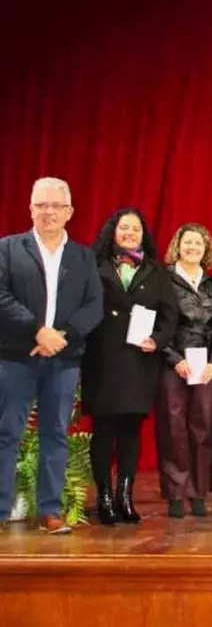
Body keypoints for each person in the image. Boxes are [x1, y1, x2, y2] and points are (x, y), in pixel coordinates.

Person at [0, 177, 103, 534]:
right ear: (30, 209)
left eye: (55, 206)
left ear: (69, 212)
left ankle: (49, 511)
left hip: (63, 358)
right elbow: (1, 296)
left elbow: (94, 305)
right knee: (6, 433)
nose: (48, 212)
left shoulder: (84, 257)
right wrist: (36, 330)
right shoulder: (8, 249)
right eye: (41, 205)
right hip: (15, 356)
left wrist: (62, 336)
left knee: (55, 433)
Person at [81, 208, 178, 525]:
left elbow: (169, 317)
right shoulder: (93, 267)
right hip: (102, 359)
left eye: (135, 229)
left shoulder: (156, 271)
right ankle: (104, 497)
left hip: (139, 361)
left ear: (143, 235)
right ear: (113, 232)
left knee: (130, 431)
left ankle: (125, 495)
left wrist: (158, 340)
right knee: (104, 430)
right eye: (124, 228)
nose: (129, 233)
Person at [157, 223, 212, 518]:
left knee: (202, 428)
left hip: (206, 365)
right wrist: (175, 359)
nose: (192, 248)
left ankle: (197, 493)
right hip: (173, 363)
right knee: (173, 428)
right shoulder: (163, 281)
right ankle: (175, 493)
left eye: (198, 244)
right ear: (178, 246)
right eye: (187, 243)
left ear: (206, 249)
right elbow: (155, 327)